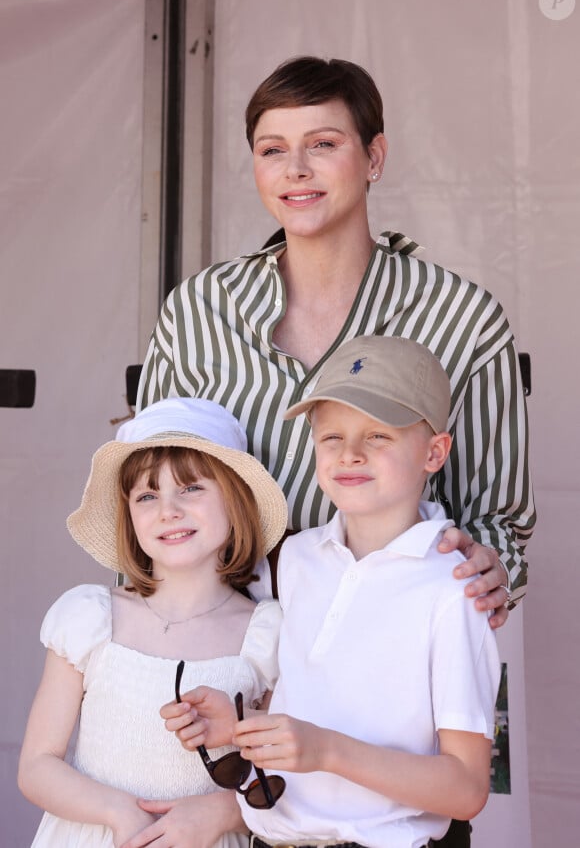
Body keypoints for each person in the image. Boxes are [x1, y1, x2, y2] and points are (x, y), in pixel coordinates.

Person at [134, 55, 535, 847]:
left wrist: (490, 568)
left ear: (374, 156)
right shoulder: (198, 313)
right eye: (272, 148)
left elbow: (501, 526)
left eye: (323, 143)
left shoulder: (461, 317)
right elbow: (147, 495)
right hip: (218, 690)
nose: (296, 169)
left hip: (379, 731)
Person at [163, 335, 502, 848]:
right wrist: (241, 726)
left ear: (435, 452)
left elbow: (467, 788)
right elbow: (312, 713)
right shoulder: (296, 560)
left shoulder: (455, 588)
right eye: (331, 438)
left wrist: (329, 752)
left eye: (379, 436)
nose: (350, 454)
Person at [18, 398, 288, 848]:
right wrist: (118, 811)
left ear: (236, 500)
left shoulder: (266, 634)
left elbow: (284, 775)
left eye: (191, 489)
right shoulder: (92, 618)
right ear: (130, 516)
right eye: (147, 495)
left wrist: (222, 812)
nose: (168, 510)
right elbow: (37, 765)